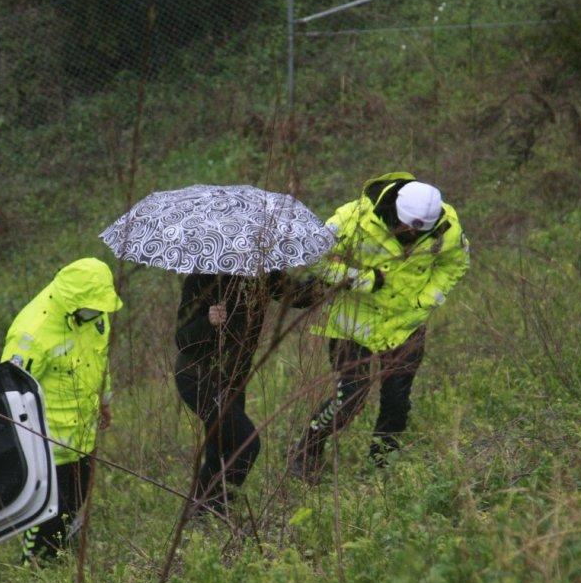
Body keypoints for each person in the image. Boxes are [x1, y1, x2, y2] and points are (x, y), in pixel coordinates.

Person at [289, 172, 470, 480]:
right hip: (353, 327)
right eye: (405, 229)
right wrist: (361, 280)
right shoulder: (353, 216)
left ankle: (379, 469)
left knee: (397, 402)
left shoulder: (446, 224)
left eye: (418, 233)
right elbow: (313, 257)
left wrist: (426, 300)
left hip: (405, 325)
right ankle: (307, 449)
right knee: (350, 399)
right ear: (396, 211)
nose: (410, 237)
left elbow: (456, 262)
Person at [2, 258, 122, 561]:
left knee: (77, 495)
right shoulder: (33, 332)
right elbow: (10, 392)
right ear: (73, 302)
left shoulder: (96, 317)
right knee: (52, 510)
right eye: (92, 306)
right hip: (46, 443)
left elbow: (100, 361)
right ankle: (35, 566)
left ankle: (57, 551)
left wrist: (104, 401)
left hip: (82, 430)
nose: (99, 312)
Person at [175, 271, 321, 516]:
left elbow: (297, 296)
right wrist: (208, 321)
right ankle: (215, 510)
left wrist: (327, 279)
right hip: (198, 376)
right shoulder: (200, 280)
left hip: (233, 378)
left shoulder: (262, 275)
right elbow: (182, 339)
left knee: (220, 449)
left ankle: (197, 515)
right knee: (246, 443)